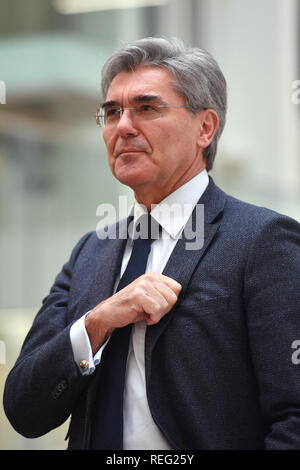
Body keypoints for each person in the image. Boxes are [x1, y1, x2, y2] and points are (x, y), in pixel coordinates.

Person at [3, 37, 300, 450]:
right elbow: (23, 408)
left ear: (205, 127)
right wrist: (97, 322)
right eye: (111, 112)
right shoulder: (90, 252)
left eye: (146, 108)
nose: (123, 126)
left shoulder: (263, 242)